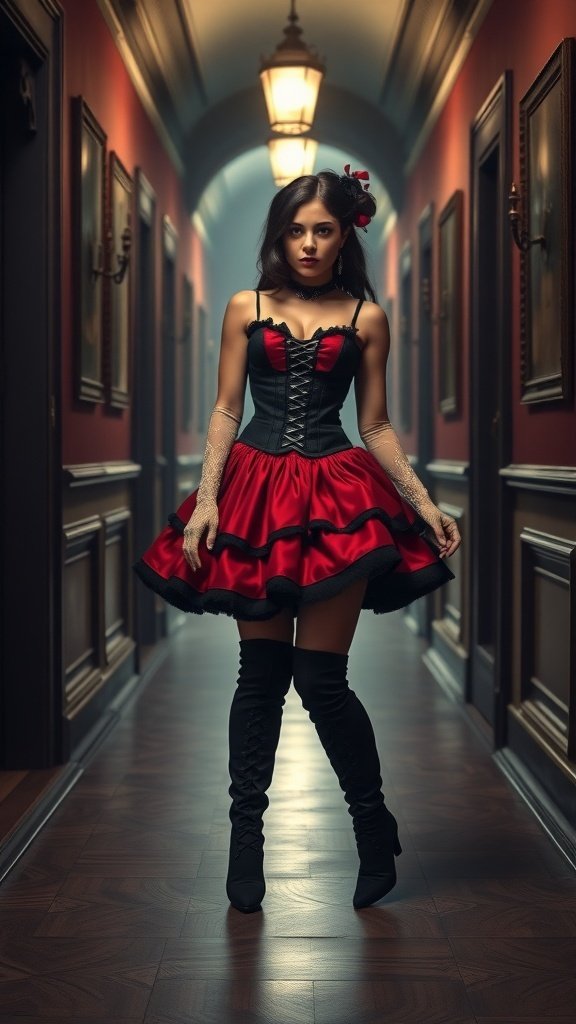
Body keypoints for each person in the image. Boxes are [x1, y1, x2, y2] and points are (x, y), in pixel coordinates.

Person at [133, 165, 461, 914]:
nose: (309, 243)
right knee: (259, 681)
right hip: (253, 494)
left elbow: (374, 423)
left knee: (320, 681)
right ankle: (245, 841)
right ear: (278, 234)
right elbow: (223, 409)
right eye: (295, 229)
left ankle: (373, 826)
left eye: (323, 229)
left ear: (345, 232)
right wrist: (208, 497)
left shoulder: (367, 316)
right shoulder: (244, 306)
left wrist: (423, 503)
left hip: (337, 496)